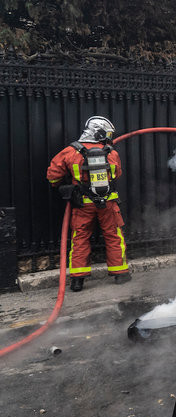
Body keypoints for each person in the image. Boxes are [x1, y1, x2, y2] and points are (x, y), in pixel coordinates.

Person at [46, 116, 131, 291]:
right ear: (99, 133)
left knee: (80, 238)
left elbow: (52, 176)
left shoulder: (70, 151)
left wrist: (62, 184)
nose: (108, 138)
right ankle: (120, 274)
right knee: (114, 236)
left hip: (82, 204)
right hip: (108, 203)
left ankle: (78, 280)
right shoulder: (112, 153)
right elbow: (117, 174)